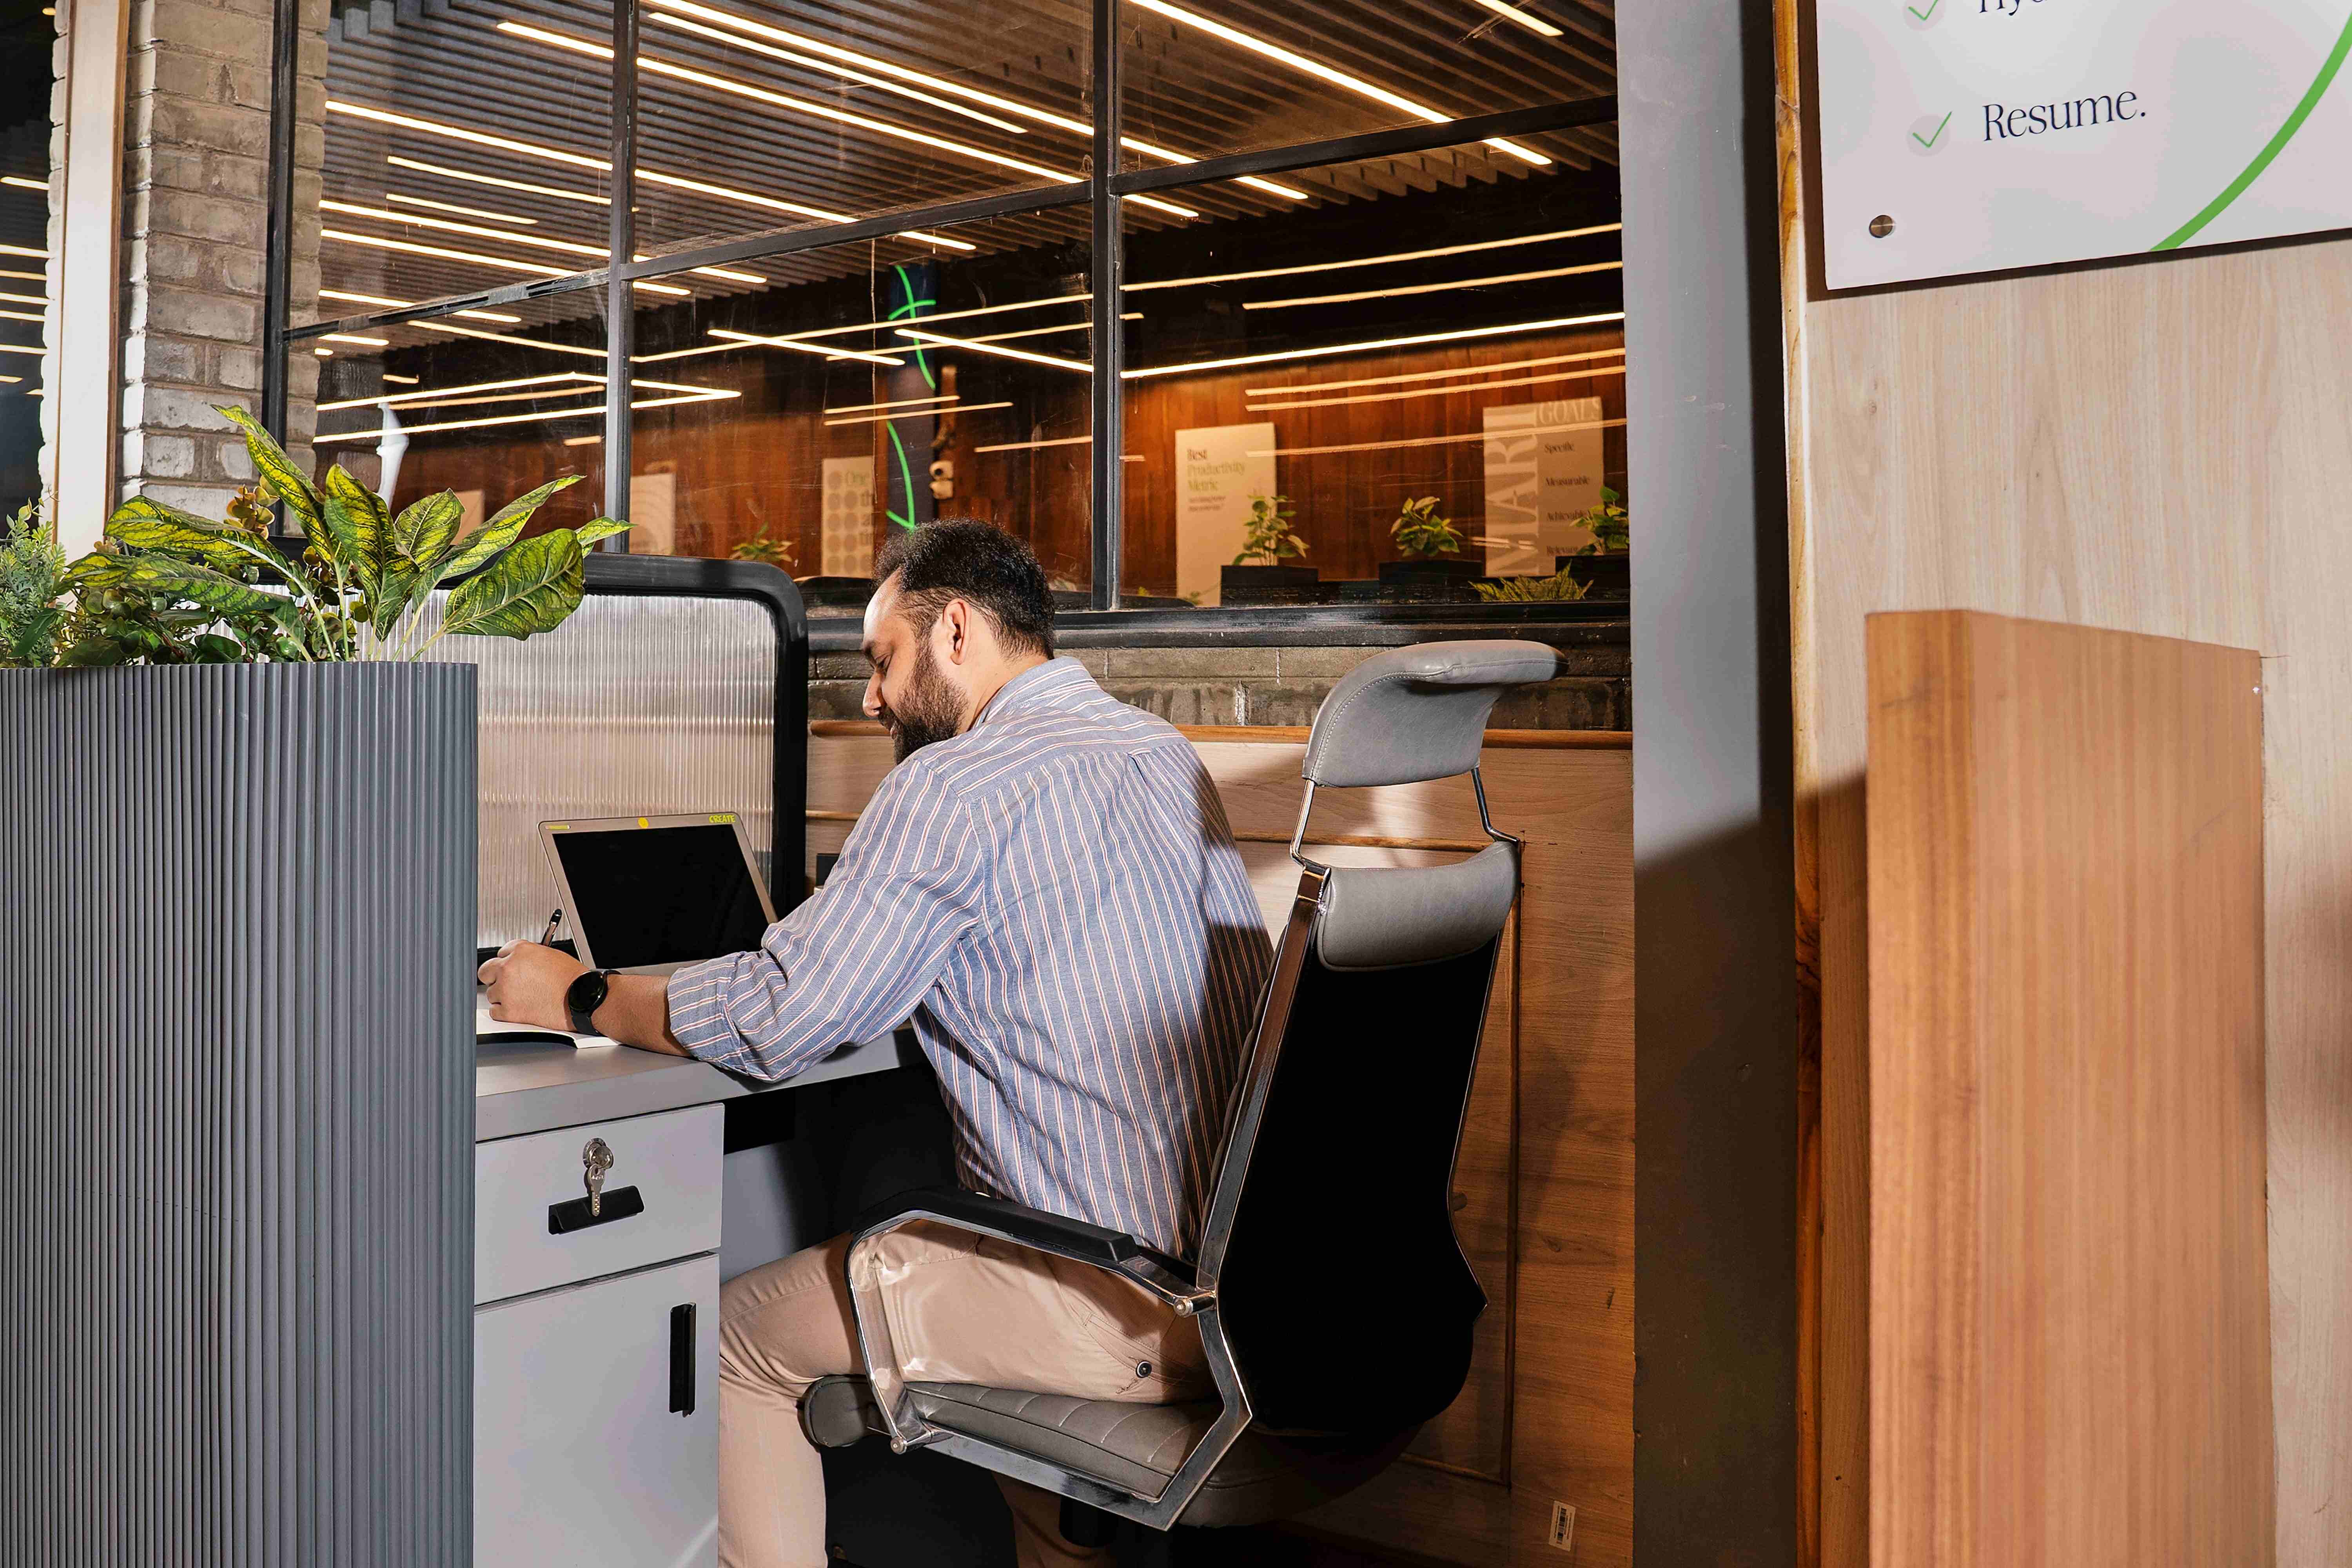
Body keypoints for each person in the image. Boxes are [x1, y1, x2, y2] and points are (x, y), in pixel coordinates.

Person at [480, 521, 1274, 1568]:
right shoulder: (1160, 753)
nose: (872, 698)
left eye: (883, 660)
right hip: (1245, 1283)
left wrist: (576, 993)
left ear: (954, 631)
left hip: (1110, 1296)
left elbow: (783, 1019)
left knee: (728, 1343)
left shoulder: (959, 783)